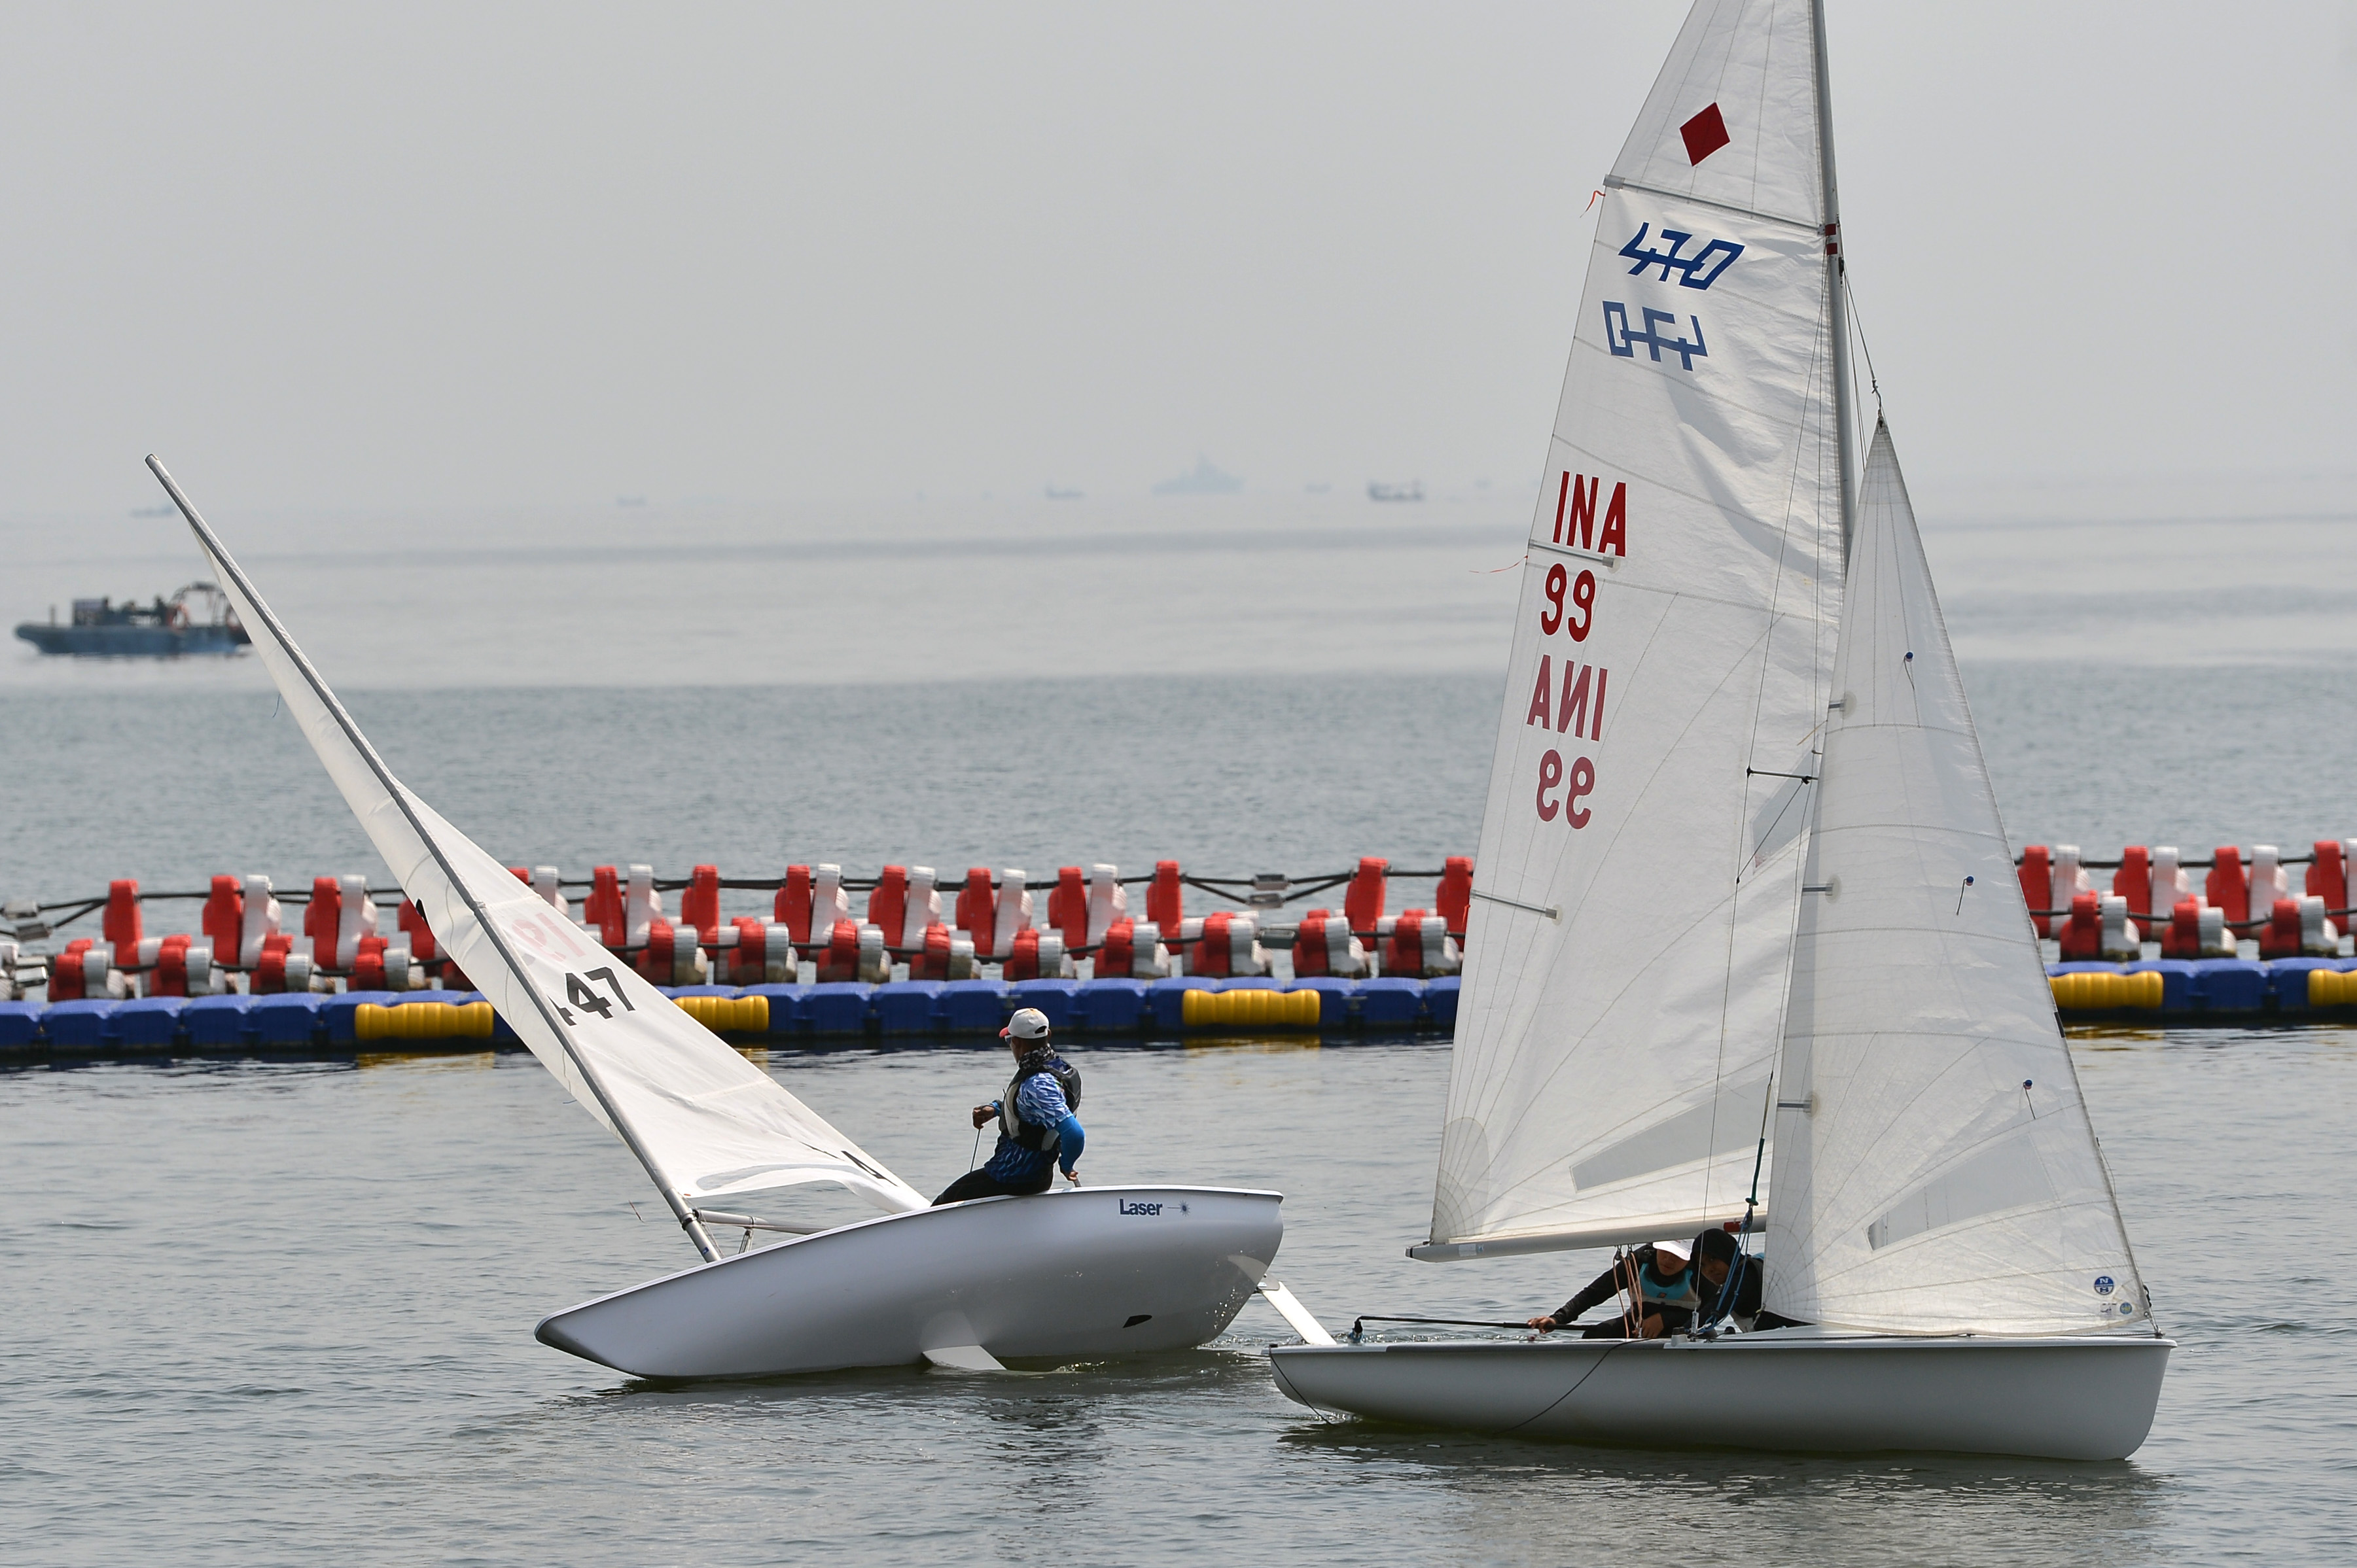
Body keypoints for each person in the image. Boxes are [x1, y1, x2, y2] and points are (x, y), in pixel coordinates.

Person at [931, 1007, 1086, 1205]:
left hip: (1013, 1176)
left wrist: (1067, 1164)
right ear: (1048, 1035)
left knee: (945, 1202)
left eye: (1009, 1041)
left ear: (1017, 1042)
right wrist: (995, 1109)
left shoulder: (1038, 1085)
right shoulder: (1057, 1069)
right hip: (1037, 1176)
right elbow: (1035, 1113)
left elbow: (1075, 1134)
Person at [1525, 1237, 1702, 1339]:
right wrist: (1558, 1319)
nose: (1668, 1260)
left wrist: (1666, 1319)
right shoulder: (1639, 1262)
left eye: (1677, 1256)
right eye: (1665, 1252)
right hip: (1637, 1325)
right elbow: (1594, 1293)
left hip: (1690, 1330)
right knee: (1594, 1335)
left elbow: (1715, 1310)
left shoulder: (1700, 1272)